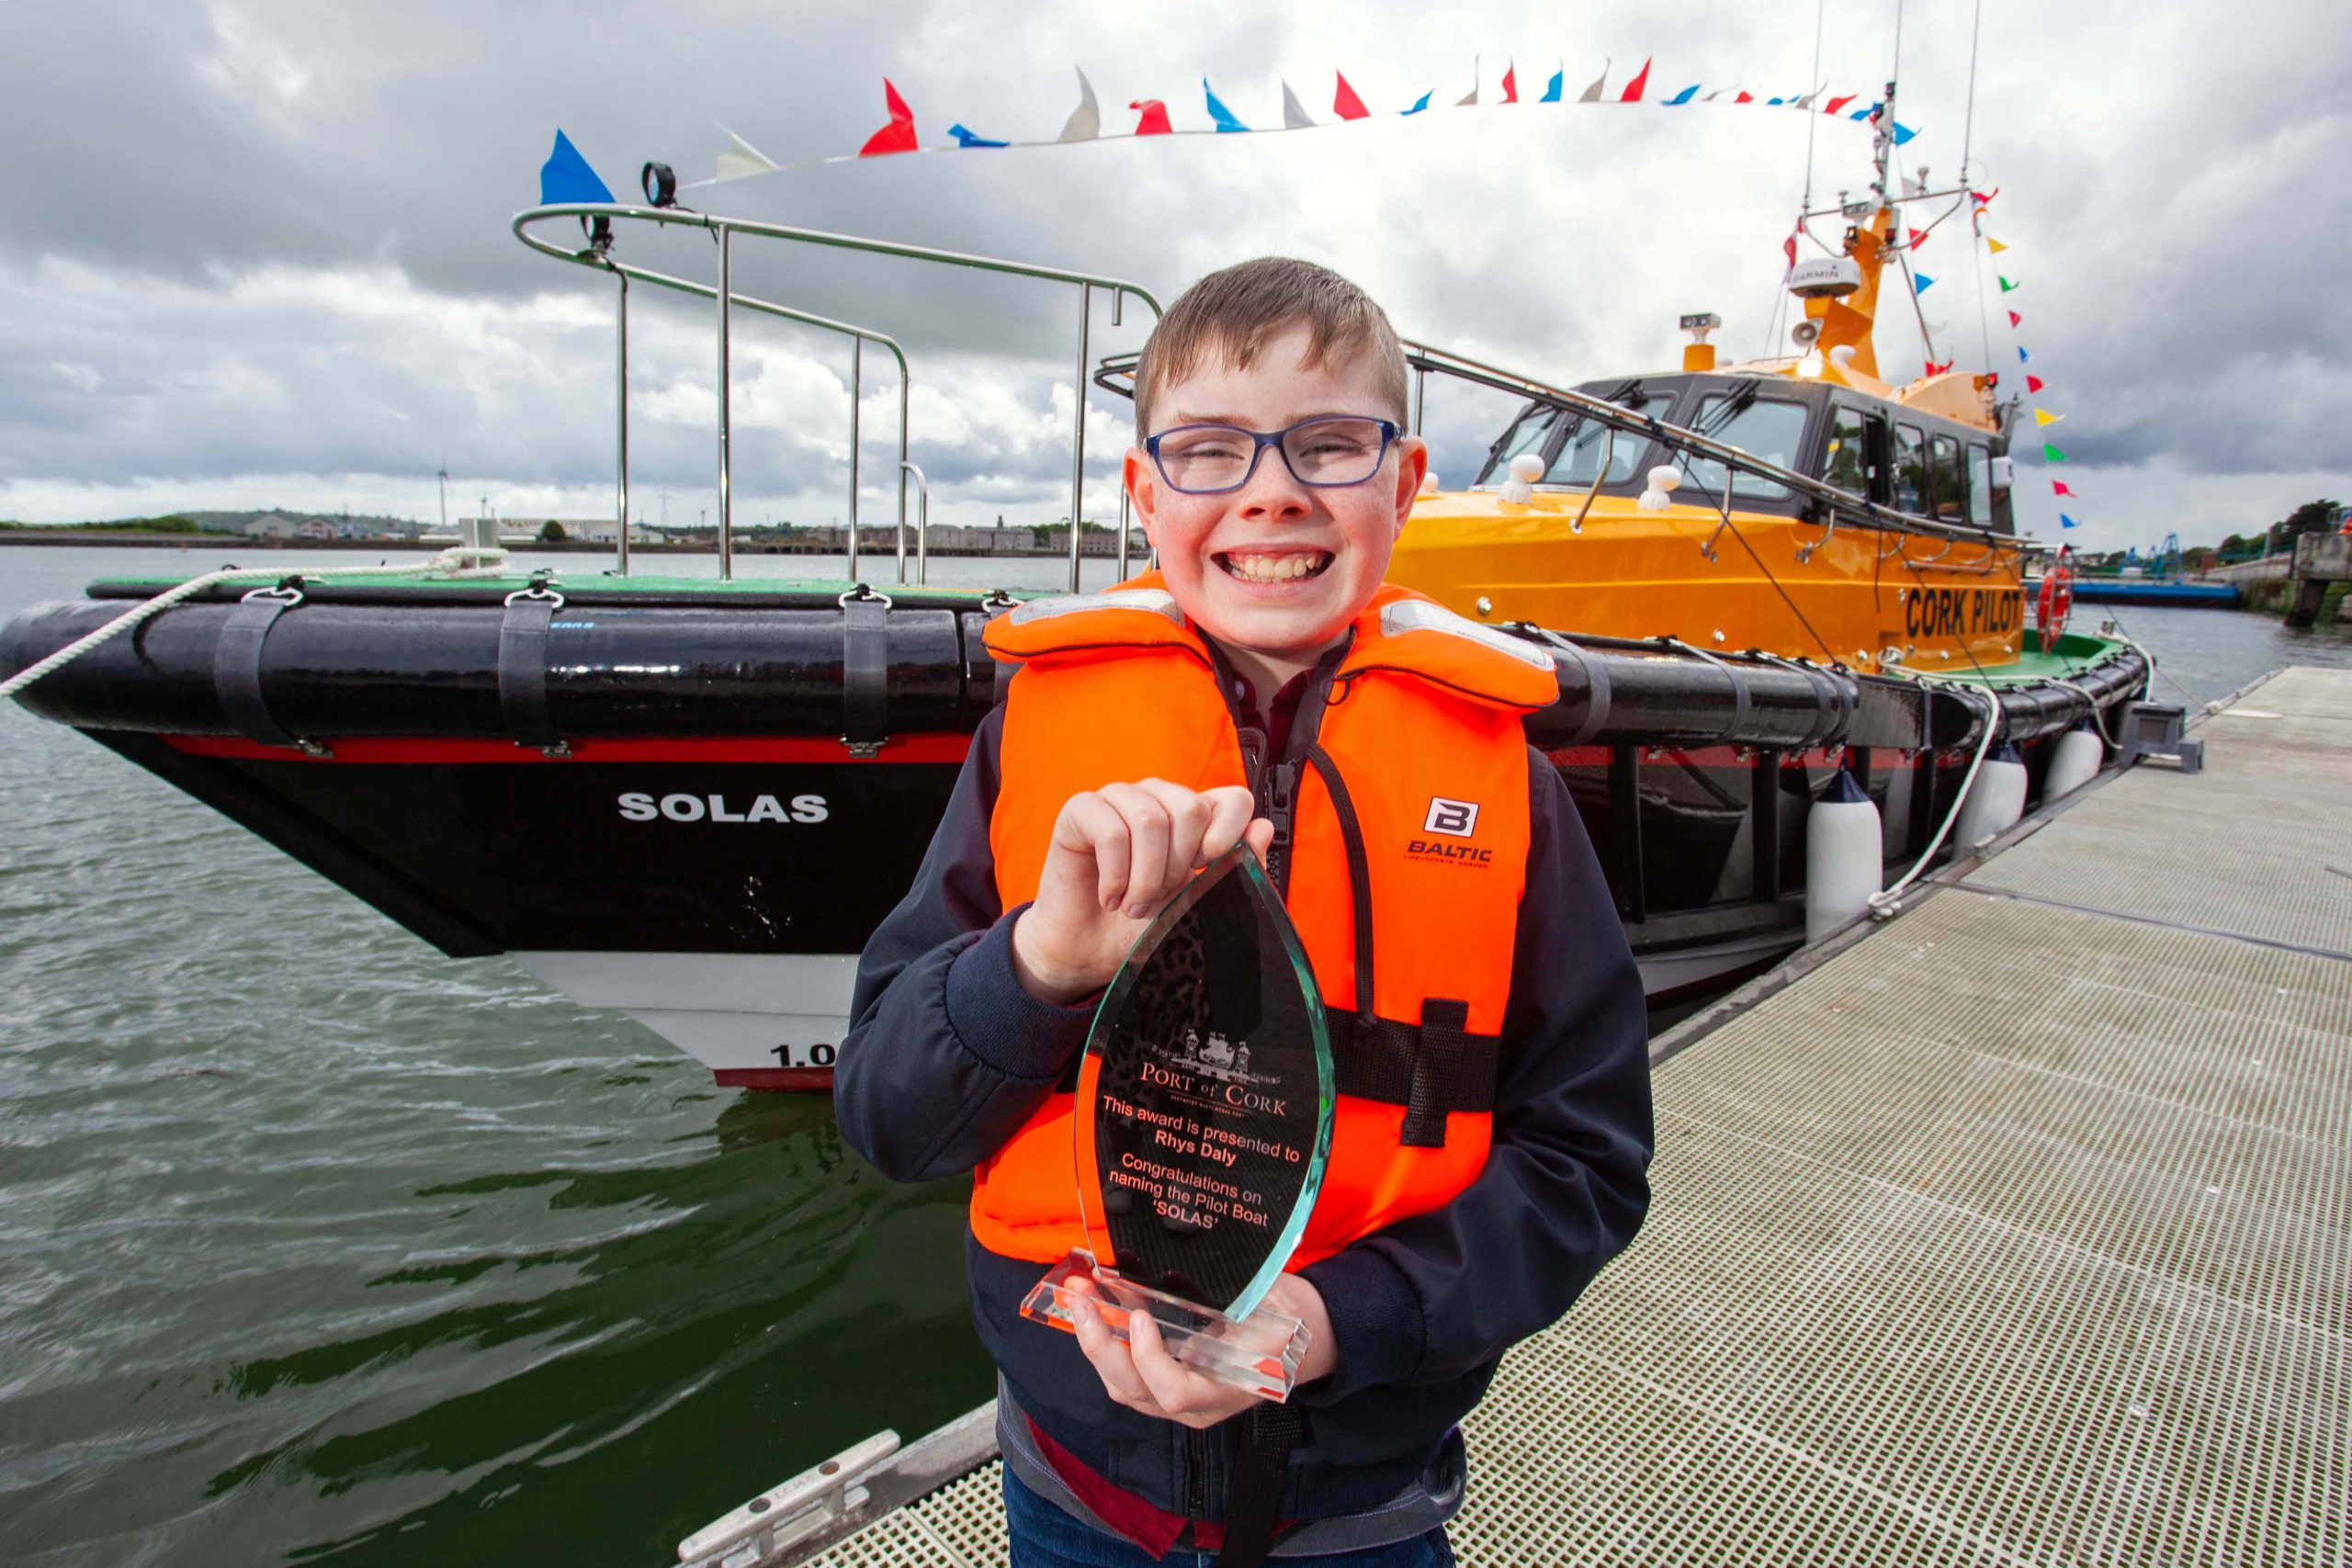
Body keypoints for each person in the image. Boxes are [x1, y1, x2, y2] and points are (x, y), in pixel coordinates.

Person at [836, 257, 1654, 1566]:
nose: (1272, 489)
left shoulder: (1518, 796)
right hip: (1070, 1485)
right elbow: (885, 1116)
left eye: (1330, 445)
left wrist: (1334, 1320)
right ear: (1144, 493)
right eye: (1211, 450)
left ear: (1404, 479)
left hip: (1362, 1505)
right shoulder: (1025, 755)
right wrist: (1039, 961)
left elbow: (1589, 1168)